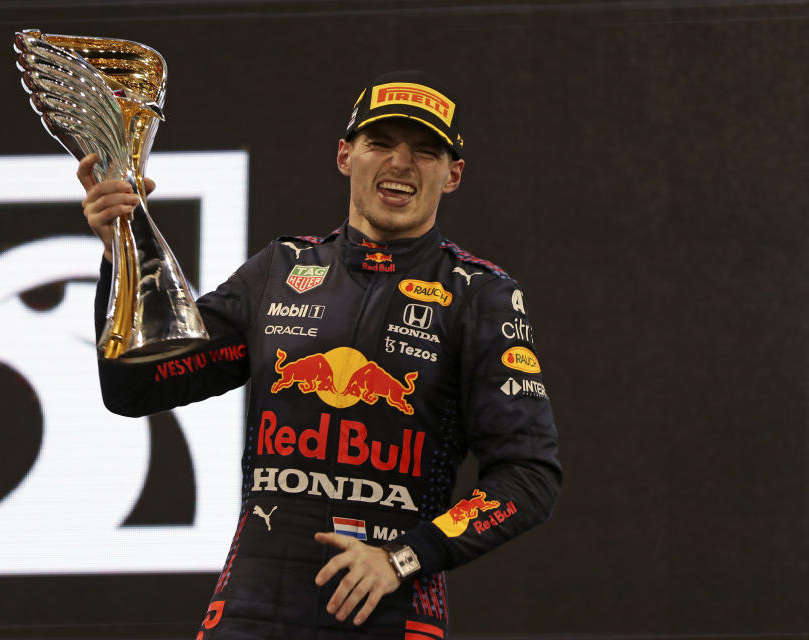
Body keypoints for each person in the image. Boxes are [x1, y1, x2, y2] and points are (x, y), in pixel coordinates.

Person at [77, 70, 561, 640]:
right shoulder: (277, 271)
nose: (401, 164)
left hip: (390, 613)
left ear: (453, 175)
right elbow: (136, 387)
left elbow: (529, 476)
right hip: (251, 609)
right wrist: (122, 256)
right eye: (380, 143)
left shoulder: (479, 295)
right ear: (344, 155)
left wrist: (403, 557)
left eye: (425, 152)